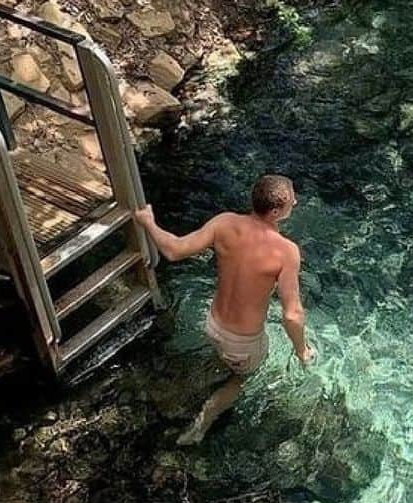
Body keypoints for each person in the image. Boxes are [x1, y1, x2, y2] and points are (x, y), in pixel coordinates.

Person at [134, 173, 314, 446]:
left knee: (225, 356)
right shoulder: (286, 251)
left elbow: (173, 250)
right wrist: (302, 351)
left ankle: (206, 375)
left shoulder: (224, 222)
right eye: (292, 200)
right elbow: (292, 314)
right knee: (243, 378)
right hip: (243, 343)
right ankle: (204, 421)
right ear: (276, 211)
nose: (296, 202)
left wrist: (148, 222)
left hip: (212, 325)